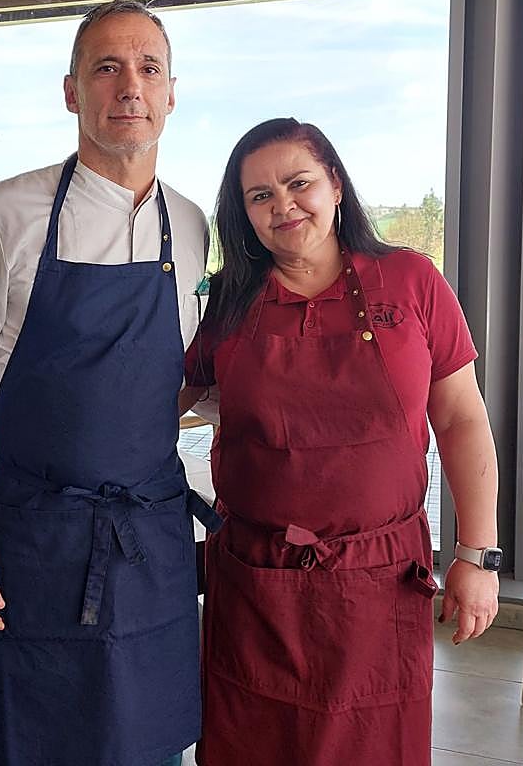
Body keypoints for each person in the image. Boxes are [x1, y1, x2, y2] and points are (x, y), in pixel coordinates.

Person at [0, 0, 213, 766]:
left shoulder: (191, 224)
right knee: (29, 741)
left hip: (150, 537)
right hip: (36, 538)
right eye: (106, 67)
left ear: (171, 93)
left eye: (148, 68)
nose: (130, 86)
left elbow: (173, 372)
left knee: (148, 744)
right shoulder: (4, 216)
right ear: (72, 92)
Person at [179, 118, 500, 766]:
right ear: (244, 215)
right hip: (256, 583)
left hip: (381, 583)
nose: (283, 205)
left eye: (298, 183)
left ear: (335, 185)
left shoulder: (411, 280)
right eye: (260, 195)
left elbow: (462, 419)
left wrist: (478, 555)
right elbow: (152, 405)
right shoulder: (225, 304)